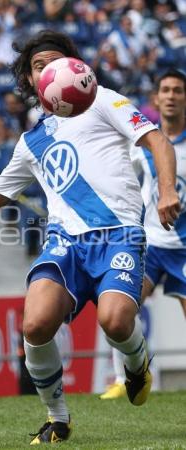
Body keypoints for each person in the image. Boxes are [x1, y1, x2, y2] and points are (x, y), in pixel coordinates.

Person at [0, 31, 180, 445]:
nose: (48, 69)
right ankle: (57, 418)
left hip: (118, 234)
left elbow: (156, 140)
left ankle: (136, 363)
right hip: (65, 242)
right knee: (36, 324)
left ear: (76, 69)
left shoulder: (104, 101)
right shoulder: (32, 142)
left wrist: (167, 190)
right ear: (28, 79)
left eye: (56, 61)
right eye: (38, 65)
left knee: (115, 321)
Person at [100, 68, 186, 400]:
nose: (171, 96)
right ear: (156, 98)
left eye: (178, 90)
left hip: (183, 247)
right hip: (149, 244)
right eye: (165, 90)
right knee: (119, 307)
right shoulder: (142, 145)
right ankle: (124, 378)